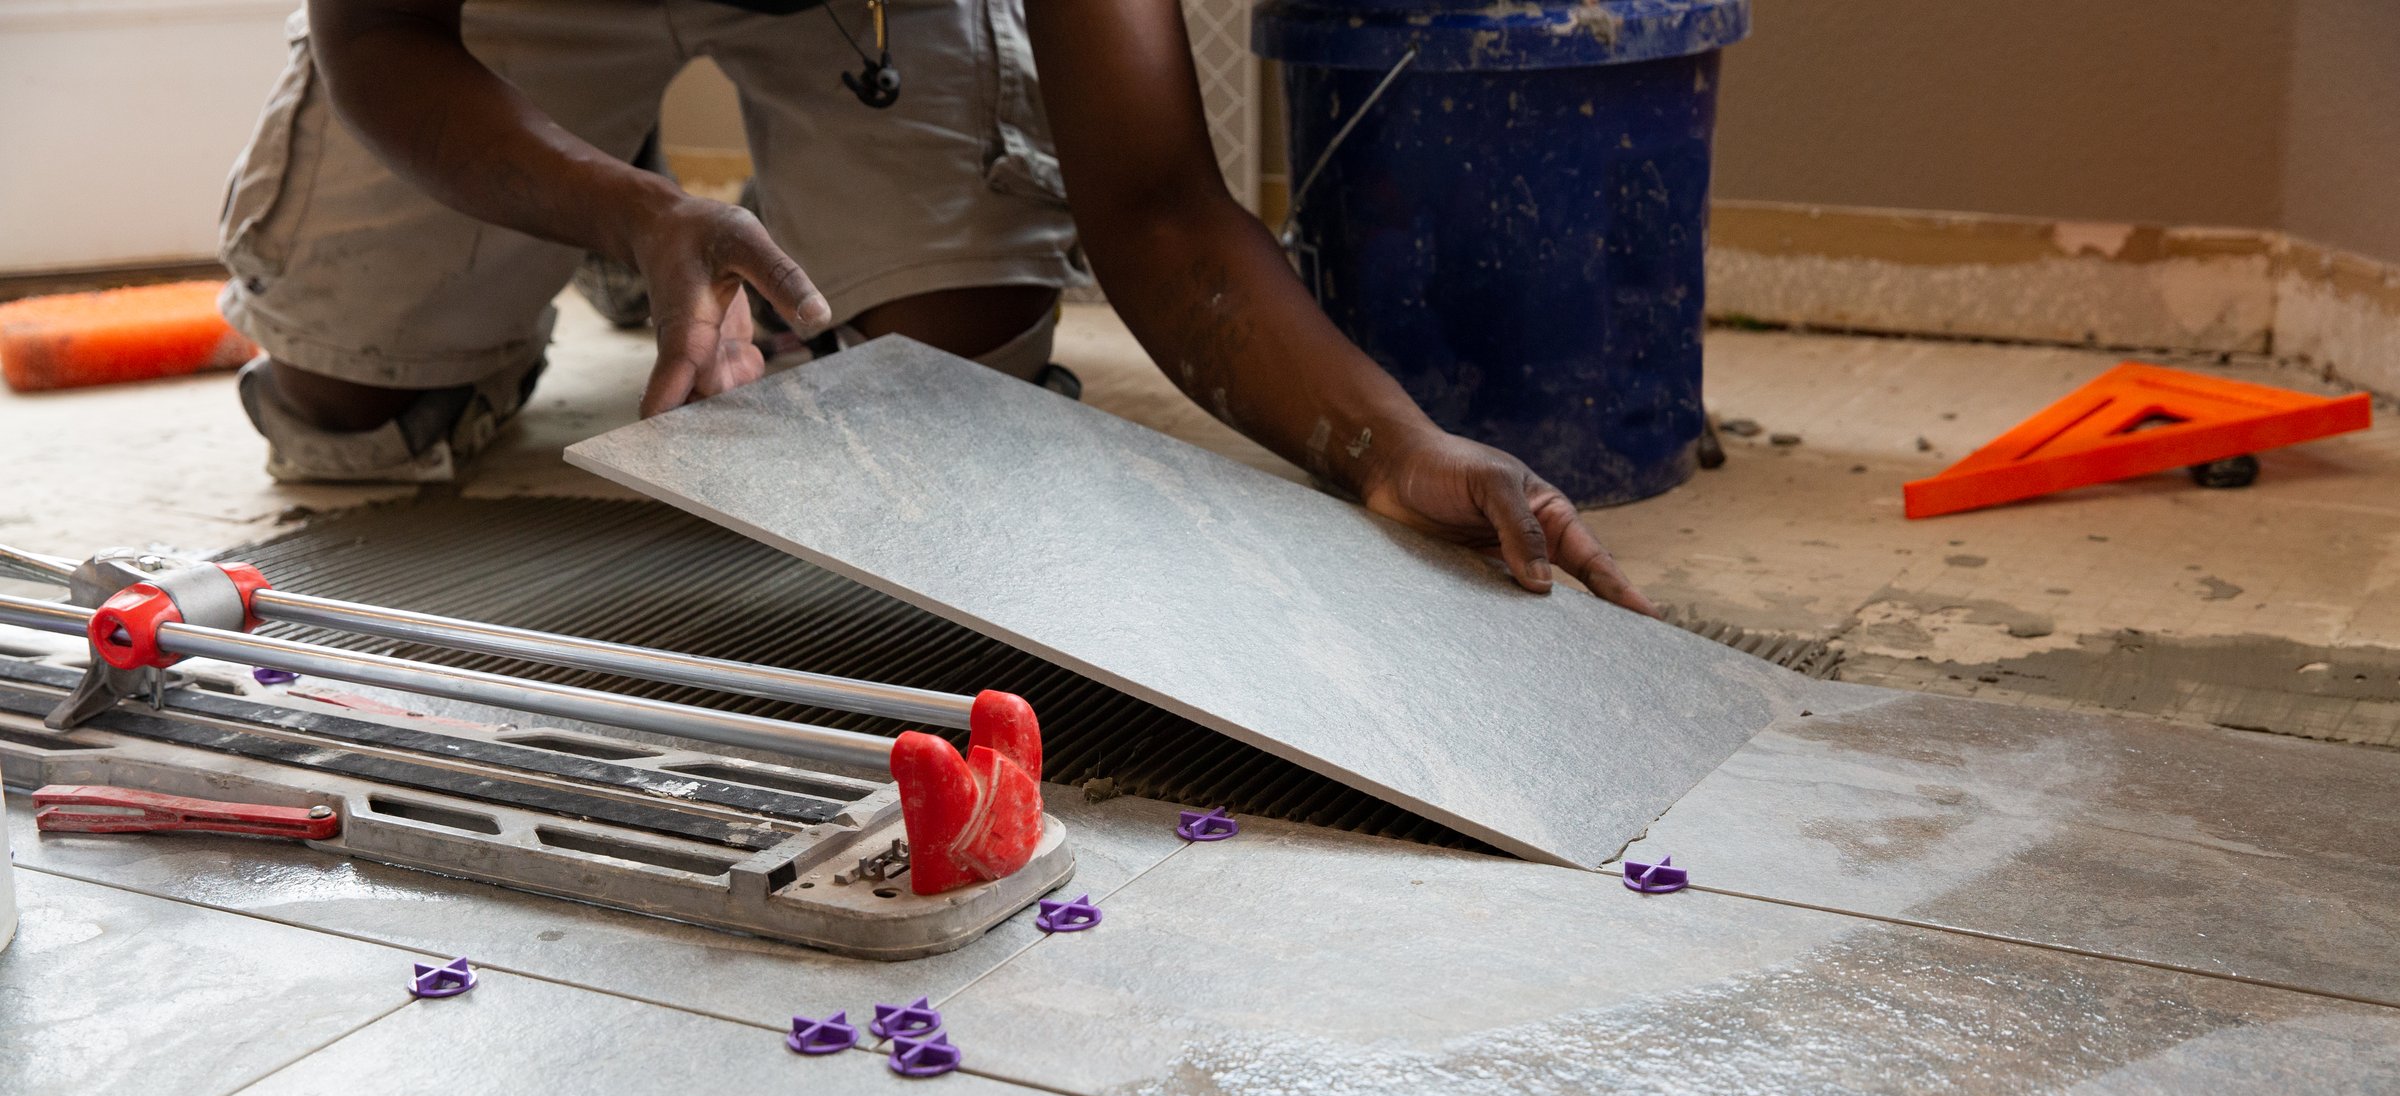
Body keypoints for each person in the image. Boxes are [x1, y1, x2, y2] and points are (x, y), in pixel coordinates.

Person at [219, 0, 1655, 612]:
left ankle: (678, 230)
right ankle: (623, 194)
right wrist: (630, 211)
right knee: (351, 407)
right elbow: (383, 38)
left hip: (872, 24)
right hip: (496, 19)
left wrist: (1387, 442)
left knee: (944, 405)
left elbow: (1154, 203)